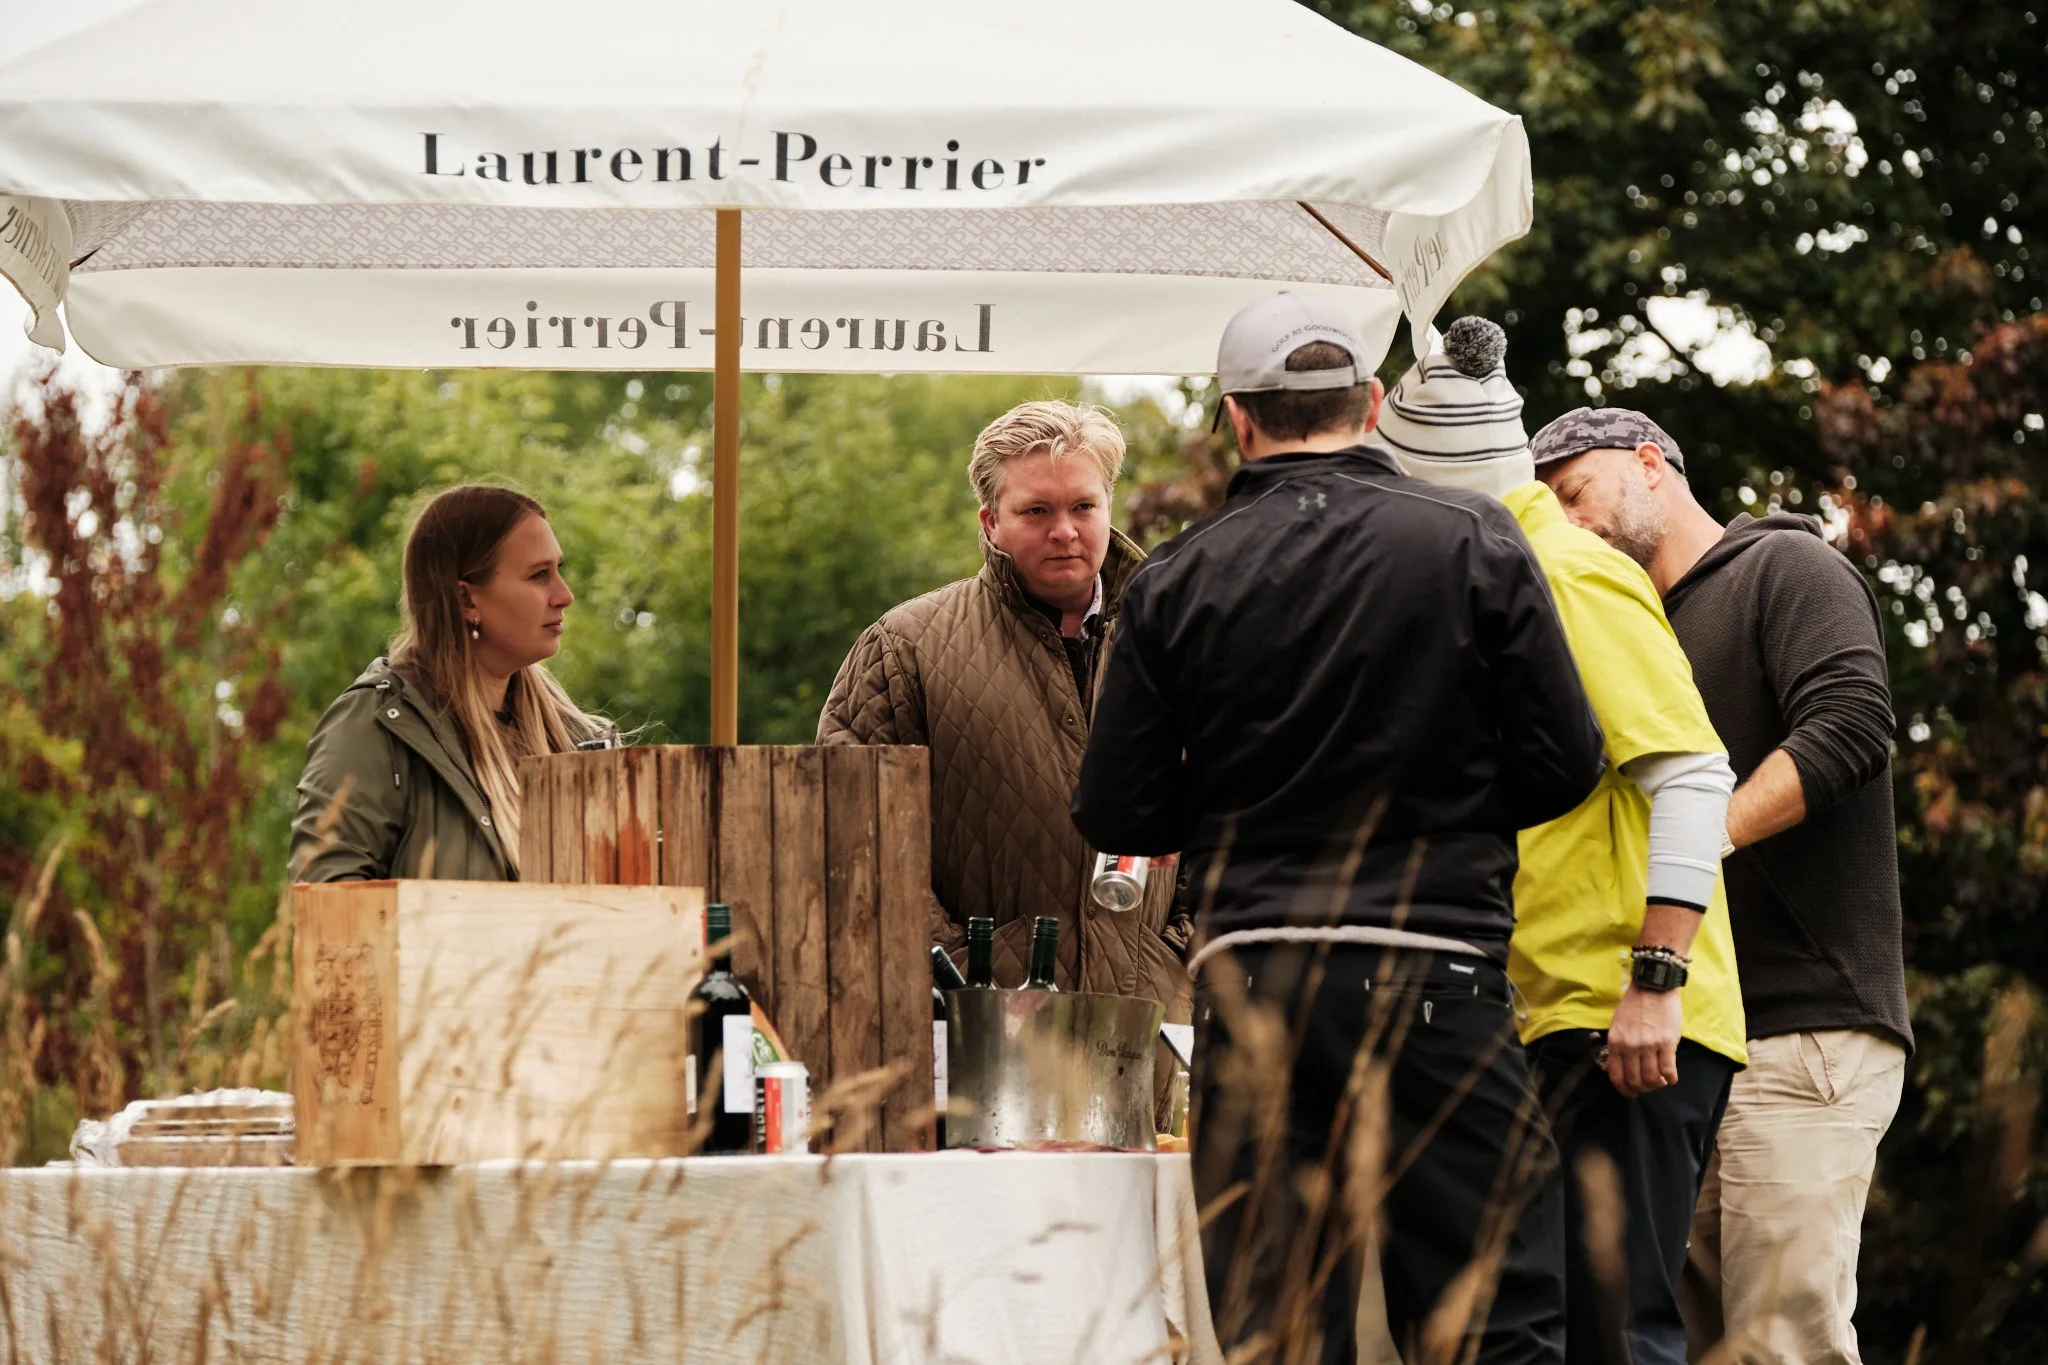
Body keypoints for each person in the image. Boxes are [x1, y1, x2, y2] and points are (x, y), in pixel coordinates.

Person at [1073, 293, 1606, 1365]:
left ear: (1237, 419)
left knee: (1278, 1330)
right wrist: (1448, 802)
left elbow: (1117, 810)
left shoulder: (1174, 581)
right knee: (1488, 1321)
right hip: (1435, 978)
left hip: (1252, 983)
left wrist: (1228, 801)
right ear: (1369, 404)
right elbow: (1568, 762)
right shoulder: (1472, 539)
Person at [1378, 318, 1744, 1365]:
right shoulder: (1499, 569)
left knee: (1615, 1332)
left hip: (1625, 1018)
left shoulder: (1565, 576)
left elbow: (1689, 774)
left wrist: (1653, 981)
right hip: (1560, 1014)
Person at [1531, 407, 1913, 1365]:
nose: (1567, 521)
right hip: (1677, 1040)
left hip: (1804, 1026)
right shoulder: (1612, 619)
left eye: (1577, 491)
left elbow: (1853, 725)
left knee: (1783, 1343)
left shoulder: (1786, 568)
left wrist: (1698, 840)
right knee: (1683, 1343)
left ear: (1651, 463)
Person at [817, 399, 1191, 1009]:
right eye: (1037, 510)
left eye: (1083, 507)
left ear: (1107, 507)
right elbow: (851, 835)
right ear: (990, 522)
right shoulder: (905, 646)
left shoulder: (1183, 641)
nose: (1065, 530)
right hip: (970, 1031)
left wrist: (1178, 955)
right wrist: (959, 973)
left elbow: (1240, 813)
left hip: (1150, 1022)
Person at [291, 484, 608, 882]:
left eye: (559, 570)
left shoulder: (579, 741)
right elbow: (328, 906)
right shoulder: (378, 727)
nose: (565, 595)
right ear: (465, 599)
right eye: (539, 575)